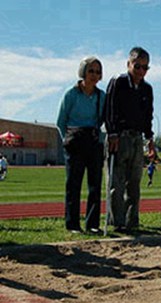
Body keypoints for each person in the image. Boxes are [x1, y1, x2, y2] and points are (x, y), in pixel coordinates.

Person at [104, 47, 156, 232]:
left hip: (137, 138)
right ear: (129, 64)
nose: (141, 72)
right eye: (137, 67)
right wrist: (112, 133)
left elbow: (148, 115)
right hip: (119, 137)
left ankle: (131, 220)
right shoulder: (117, 82)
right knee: (115, 182)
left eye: (145, 68)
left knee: (134, 182)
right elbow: (109, 109)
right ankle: (117, 221)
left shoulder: (147, 89)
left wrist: (150, 139)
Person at [56, 56, 105, 234]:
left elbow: (103, 121)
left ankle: (92, 224)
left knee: (95, 185)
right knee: (73, 185)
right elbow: (61, 121)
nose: (94, 75)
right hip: (74, 144)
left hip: (93, 143)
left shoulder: (102, 96)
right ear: (83, 71)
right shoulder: (71, 94)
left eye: (98, 72)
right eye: (91, 70)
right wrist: (66, 141)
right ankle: (73, 224)